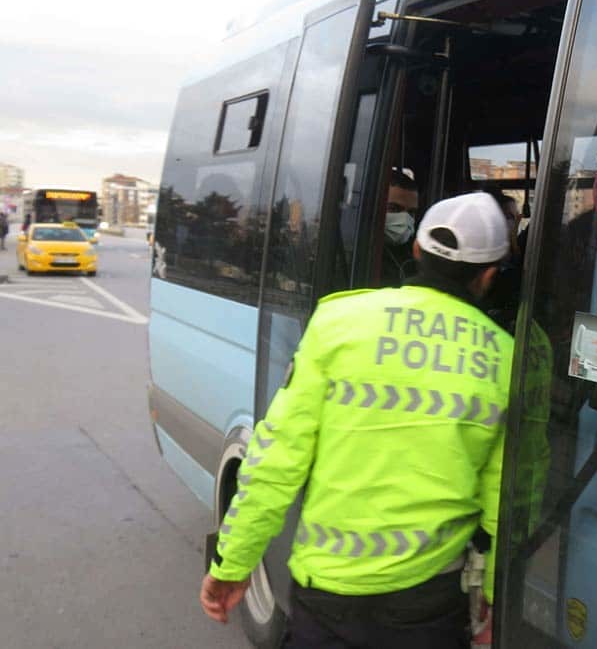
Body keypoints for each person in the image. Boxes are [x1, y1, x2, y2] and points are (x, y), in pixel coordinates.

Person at [200, 192, 514, 649]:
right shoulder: (505, 358)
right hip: (430, 606)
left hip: (328, 599)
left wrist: (232, 565)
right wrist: (491, 598)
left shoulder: (338, 321)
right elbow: (504, 500)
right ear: (489, 275)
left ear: (416, 251)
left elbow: (273, 464)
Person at [380, 168, 420, 285]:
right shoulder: (353, 251)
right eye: (394, 209)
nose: (404, 218)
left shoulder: (415, 256)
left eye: (411, 212)